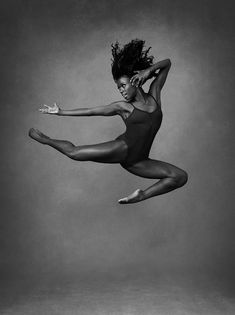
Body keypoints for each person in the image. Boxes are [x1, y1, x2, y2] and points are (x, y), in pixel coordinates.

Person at [29, 39, 188, 204]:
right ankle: (46, 139)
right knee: (74, 153)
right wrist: (60, 112)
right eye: (118, 87)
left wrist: (148, 71)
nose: (121, 90)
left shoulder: (155, 94)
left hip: (139, 161)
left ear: (134, 80)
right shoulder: (123, 107)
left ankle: (141, 195)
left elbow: (167, 63)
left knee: (180, 177)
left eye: (123, 85)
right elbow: (91, 111)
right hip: (123, 149)